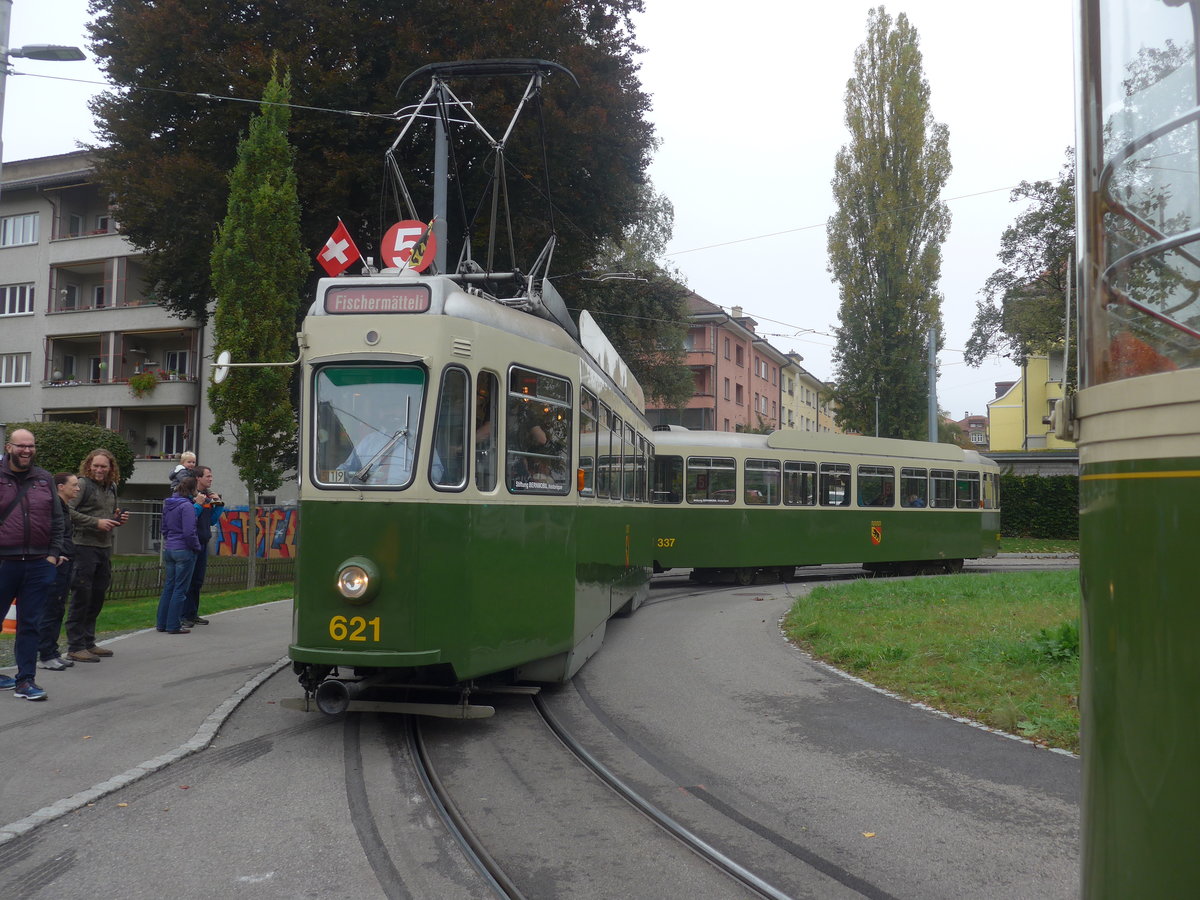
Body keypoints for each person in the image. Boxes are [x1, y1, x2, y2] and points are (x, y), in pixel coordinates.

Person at [0, 429, 64, 701]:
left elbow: (57, 519)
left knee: (30, 624)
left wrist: (52, 555)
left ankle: (26, 680)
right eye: (21, 446)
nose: (26, 451)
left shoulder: (44, 478)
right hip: (4, 561)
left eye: (31, 446)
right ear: (8, 447)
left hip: (38, 563)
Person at [65, 448, 128, 663]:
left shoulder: (112, 487)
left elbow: (109, 513)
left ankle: (88, 642)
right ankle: (75, 646)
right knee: (82, 595)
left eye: (104, 466)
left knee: (98, 595)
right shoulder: (82, 484)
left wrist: (118, 518)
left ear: (111, 468)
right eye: (96, 466)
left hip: (104, 546)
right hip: (83, 546)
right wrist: (96, 522)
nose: (99, 470)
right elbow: (67, 510)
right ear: (89, 466)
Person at [38, 473, 81, 671]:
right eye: (74, 485)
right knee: (51, 608)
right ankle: (46, 654)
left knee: (58, 608)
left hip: (65, 559)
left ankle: (52, 652)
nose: (78, 489)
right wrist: (55, 555)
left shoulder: (63, 507)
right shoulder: (52, 507)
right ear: (61, 486)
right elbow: (49, 532)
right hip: (57, 561)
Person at [157, 475, 201, 634]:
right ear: (192, 490)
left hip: (170, 549)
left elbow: (164, 528)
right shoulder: (187, 506)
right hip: (184, 550)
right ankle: (173, 625)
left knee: (169, 587)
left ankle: (162, 623)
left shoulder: (169, 504)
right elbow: (189, 532)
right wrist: (196, 547)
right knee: (180, 589)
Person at [182, 465, 223, 628]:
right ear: (198, 478)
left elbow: (212, 520)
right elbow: (189, 517)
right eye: (208, 476)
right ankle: (184, 615)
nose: (211, 479)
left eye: (211, 476)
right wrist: (199, 503)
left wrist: (218, 505)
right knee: (188, 580)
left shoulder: (206, 497)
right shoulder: (191, 496)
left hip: (204, 541)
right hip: (192, 542)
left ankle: (193, 613)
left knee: (198, 581)